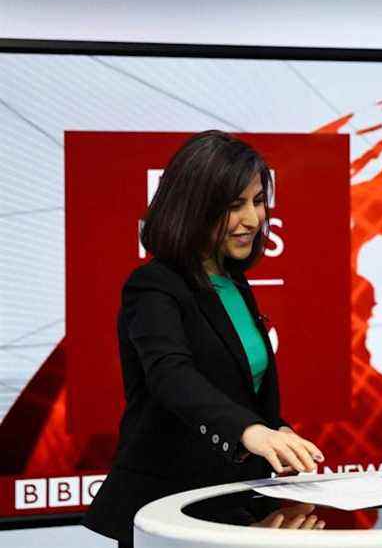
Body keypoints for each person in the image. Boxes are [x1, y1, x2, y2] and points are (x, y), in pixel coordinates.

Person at [83, 131, 325, 546]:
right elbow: (171, 374)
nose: (253, 219)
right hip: (167, 505)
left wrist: (276, 433)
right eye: (234, 206)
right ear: (193, 206)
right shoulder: (153, 285)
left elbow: (238, 387)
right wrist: (251, 432)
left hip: (235, 504)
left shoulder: (234, 282)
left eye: (257, 201)